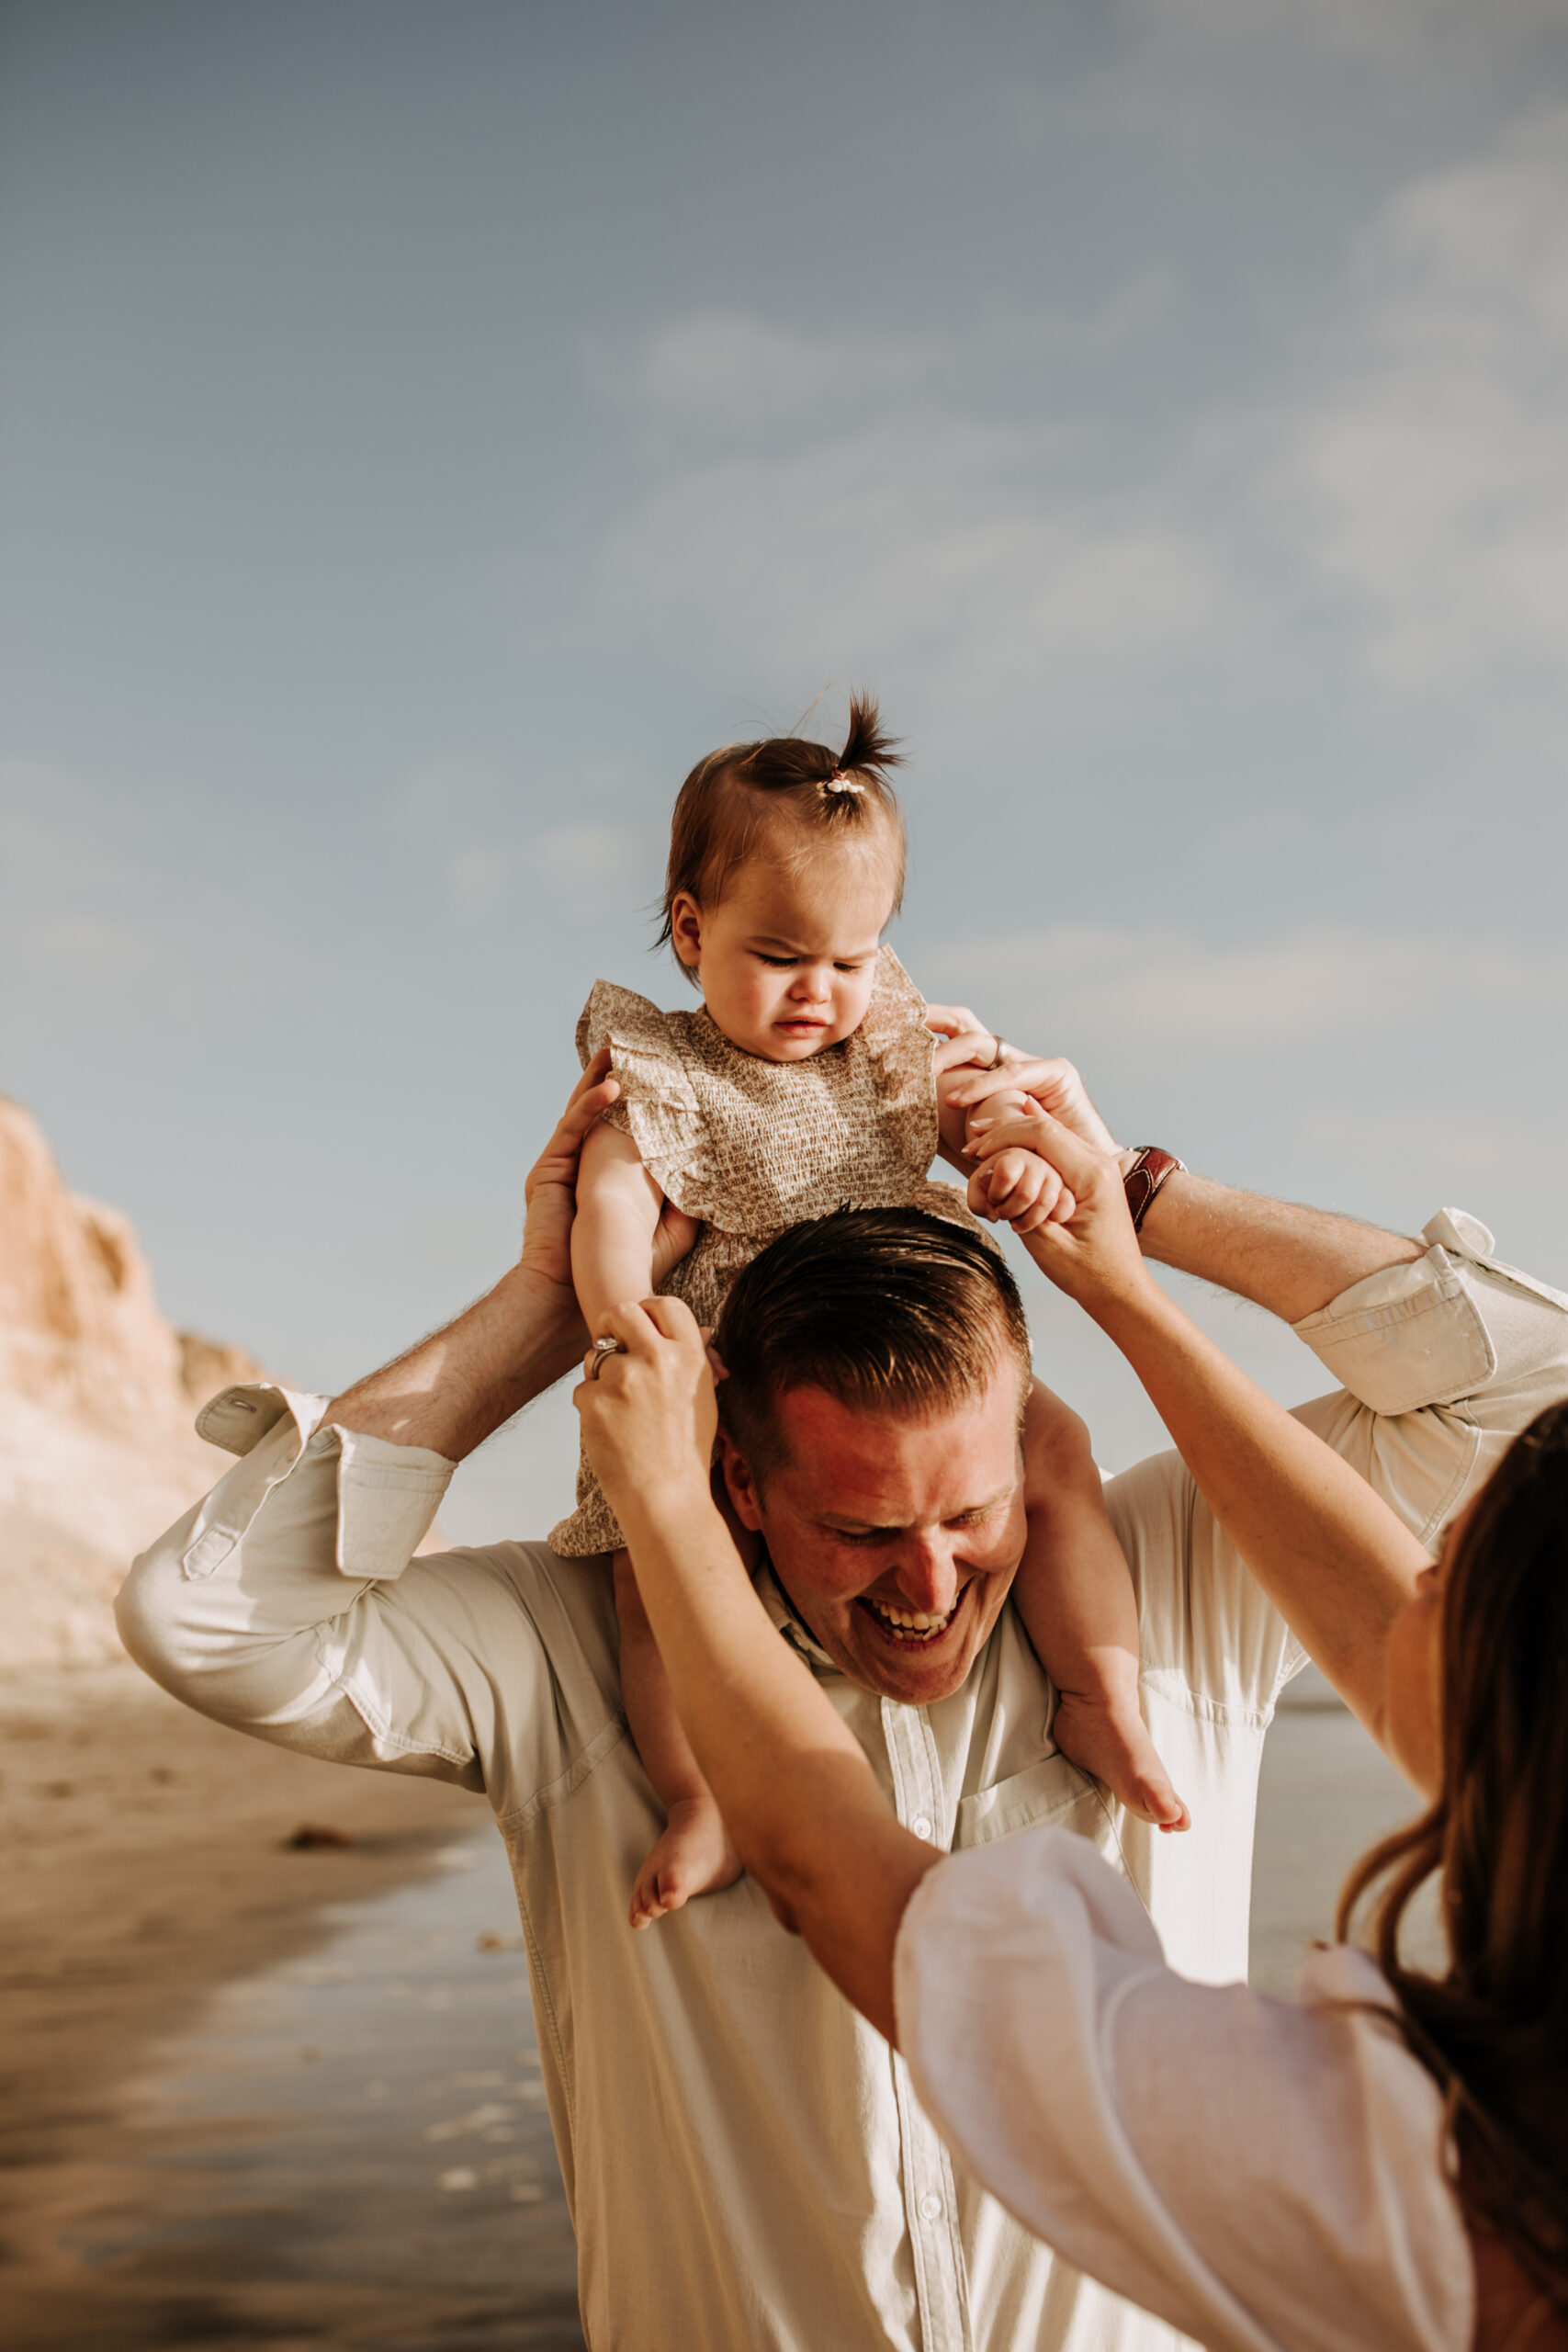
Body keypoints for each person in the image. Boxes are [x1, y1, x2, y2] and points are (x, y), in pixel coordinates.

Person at [115, 1051, 1568, 2352]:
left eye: (976, 1510)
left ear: (1040, 1444)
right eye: (863, 1532)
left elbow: (1524, 1398)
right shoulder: (564, 1653)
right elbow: (205, 1615)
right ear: (736, 1477)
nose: (927, 1583)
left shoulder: (1179, 1576)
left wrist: (1136, 1202)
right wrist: (556, 1304)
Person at [575, 1102, 1568, 2352]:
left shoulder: (1405, 2193)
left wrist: (661, 1503)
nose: (1403, 1571)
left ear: (1510, 1721)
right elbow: (1391, 1602)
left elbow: (825, 1862)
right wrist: (1123, 1253)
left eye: (1443, 1578)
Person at [554, 693, 1185, 1927]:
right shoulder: (668, 1077)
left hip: (918, 1349)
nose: (818, 993)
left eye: (850, 960)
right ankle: (705, 1793)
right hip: (738, 1373)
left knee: (1051, 1453)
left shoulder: (889, 1047)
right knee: (659, 1570)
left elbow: (981, 1123)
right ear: (691, 932)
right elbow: (611, 1211)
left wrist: (1005, 1167)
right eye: (779, 958)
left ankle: (1102, 1688)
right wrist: (632, 1330)